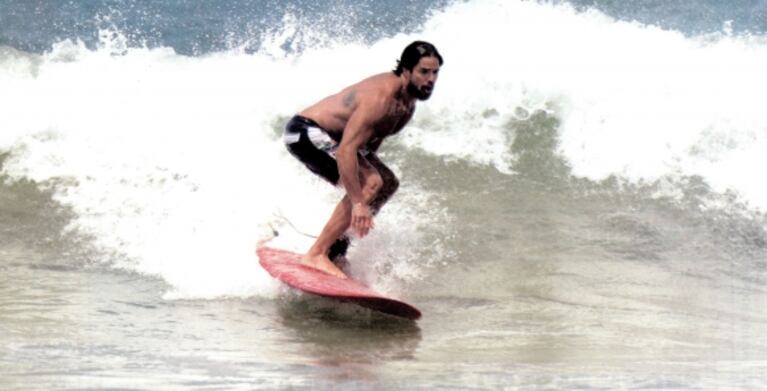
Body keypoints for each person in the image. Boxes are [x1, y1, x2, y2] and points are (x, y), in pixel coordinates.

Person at [283, 41, 443, 279]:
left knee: (386, 183)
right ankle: (316, 254)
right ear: (406, 71)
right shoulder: (381, 100)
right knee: (370, 184)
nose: (431, 79)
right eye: (424, 72)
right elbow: (347, 150)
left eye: (435, 72)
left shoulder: (407, 104)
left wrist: (365, 194)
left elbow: (367, 147)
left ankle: (335, 252)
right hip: (305, 133)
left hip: (334, 140)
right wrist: (358, 202)